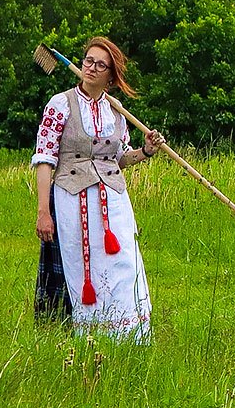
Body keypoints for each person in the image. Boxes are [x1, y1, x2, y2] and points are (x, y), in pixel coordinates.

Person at [32, 37, 164, 342]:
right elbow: (44, 158)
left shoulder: (116, 112)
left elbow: (120, 157)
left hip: (114, 202)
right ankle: (89, 335)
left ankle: (128, 337)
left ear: (111, 75)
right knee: (83, 266)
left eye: (100, 64)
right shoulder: (60, 104)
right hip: (72, 200)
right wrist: (43, 211)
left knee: (124, 264)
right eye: (88, 61)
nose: (91, 68)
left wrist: (146, 151)